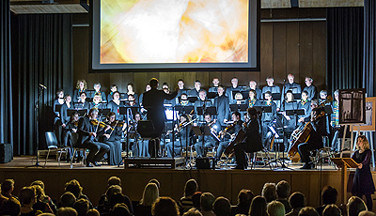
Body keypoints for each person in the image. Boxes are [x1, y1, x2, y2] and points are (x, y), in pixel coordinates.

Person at [142, 78, 178, 157]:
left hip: (150, 116)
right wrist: (176, 91)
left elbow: (144, 106)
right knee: (158, 135)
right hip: (159, 116)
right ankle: (156, 153)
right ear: (157, 85)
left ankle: (151, 153)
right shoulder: (160, 93)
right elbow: (170, 97)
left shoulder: (146, 94)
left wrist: (151, 108)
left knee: (151, 135)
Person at [297, 100, 327, 169]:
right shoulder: (315, 120)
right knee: (300, 146)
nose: (313, 115)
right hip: (311, 141)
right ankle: (308, 162)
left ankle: (308, 163)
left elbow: (318, 131)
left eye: (314, 114)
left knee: (301, 147)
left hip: (317, 143)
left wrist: (313, 122)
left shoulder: (321, 121)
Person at [351, 135, 375, 211]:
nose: (358, 143)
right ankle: (358, 212)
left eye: (360, 141)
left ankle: (369, 212)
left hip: (365, 176)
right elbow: (351, 160)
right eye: (358, 141)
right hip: (358, 175)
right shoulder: (356, 152)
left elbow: (366, 161)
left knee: (367, 196)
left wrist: (361, 164)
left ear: (364, 142)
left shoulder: (368, 151)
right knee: (358, 196)